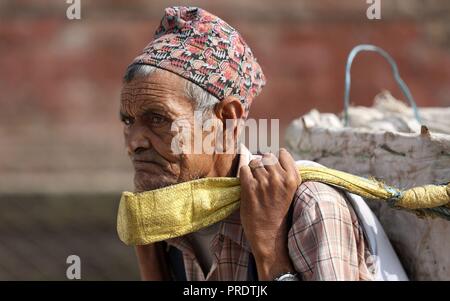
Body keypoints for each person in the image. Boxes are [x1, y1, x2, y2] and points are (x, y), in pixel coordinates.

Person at [119, 6, 403, 281]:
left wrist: (270, 253)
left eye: (157, 119)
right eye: (128, 121)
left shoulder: (309, 209)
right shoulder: (171, 213)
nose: (134, 143)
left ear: (227, 121)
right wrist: (151, 265)